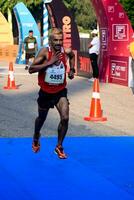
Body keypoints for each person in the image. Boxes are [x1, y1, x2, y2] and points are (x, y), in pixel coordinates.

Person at [29, 28, 75, 159]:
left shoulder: (65, 51)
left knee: (65, 118)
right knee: (41, 118)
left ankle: (59, 146)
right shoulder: (45, 52)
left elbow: (72, 56)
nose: (58, 42)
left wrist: (72, 69)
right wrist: (49, 63)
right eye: (55, 40)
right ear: (50, 40)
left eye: (61, 40)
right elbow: (31, 69)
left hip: (60, 92)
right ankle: (36, 135)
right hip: (45, 92)